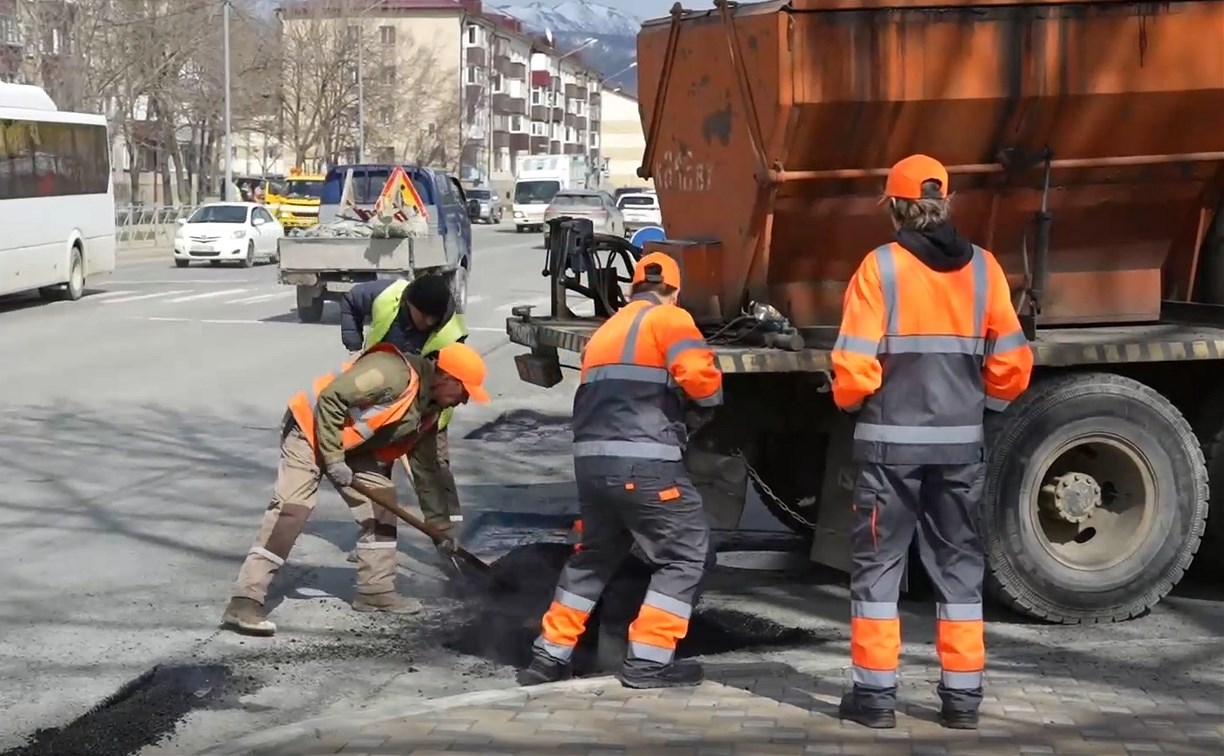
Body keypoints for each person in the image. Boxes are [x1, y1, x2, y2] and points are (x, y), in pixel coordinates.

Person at [830, 154, 1034, 730]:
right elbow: (1013, 362)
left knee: (878, 572)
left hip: (889, 454)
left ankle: (874, 701)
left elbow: (853, 365)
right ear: (945, 203)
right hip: (959, 448)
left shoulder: (880, 268)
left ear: (894, 207)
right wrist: (983, 410)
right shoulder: (986, 268)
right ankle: (962, 702)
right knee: (960, 569)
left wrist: (851, 403)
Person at [517, 252, 724, 689]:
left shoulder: (605, 331)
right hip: (644, 462)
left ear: (633, 287)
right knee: (687, 555)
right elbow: (700, 380)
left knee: (594, 557)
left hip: (592, 465)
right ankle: (649, 661)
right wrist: (706, 405)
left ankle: (548, 657)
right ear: (674, 289)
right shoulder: (672, 320)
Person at [220, 341, 491, 637]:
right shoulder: (392, 373)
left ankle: (376, 592)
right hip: (309, 430)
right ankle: (245, 600)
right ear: (447, 377)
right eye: (464, 392)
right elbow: (332, 398)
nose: (464, 400)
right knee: (292, 511)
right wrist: (333, 459)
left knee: (382, 503)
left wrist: (440, 530)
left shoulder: (429, 409)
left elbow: (426, 471)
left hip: (351, 447)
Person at [339, 276, 468, 563]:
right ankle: (376, 539)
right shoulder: (387, 295)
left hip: (427, 405)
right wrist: (353, 343)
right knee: (375, 471)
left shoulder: (451, 334)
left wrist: (429, 415)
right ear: (409, 304)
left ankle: (448, 534)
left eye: (433, 318)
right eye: (423, 317)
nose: (428, 323)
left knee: (433, 466)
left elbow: (453, 385)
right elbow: (349, 301)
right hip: (380, 400)